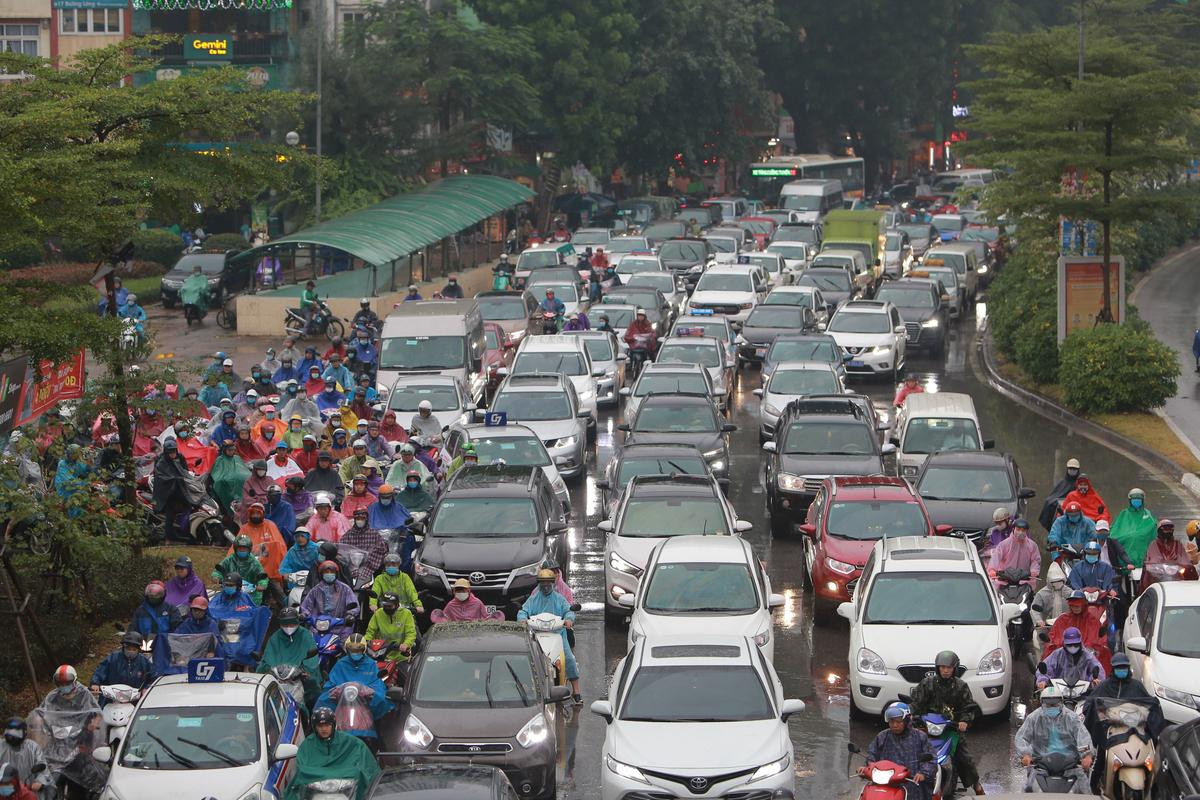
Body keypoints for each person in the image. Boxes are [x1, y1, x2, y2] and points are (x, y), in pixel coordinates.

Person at [1082, 652, 1167, 793]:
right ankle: (1093, 788)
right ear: (1113, 669)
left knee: (1153, 758)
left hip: (1136, 729)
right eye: (1118, 668)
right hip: (1112, 730)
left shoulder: (1137, 686)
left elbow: (1148, 704)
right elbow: (1090, 703)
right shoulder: (1104, 686)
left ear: (1128, 668)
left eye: (1124, 667)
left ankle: (1156, 789)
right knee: (1101, 758)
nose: (1121, 670)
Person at [908, 651, 984, 796]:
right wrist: (910, 713)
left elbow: (969, 707)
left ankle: (976, 785)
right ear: (937, 668)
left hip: (951, 730)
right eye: (942, 667)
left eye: (949, 667)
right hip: (927, 728)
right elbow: (915, 702)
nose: (945, 670)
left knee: (965, 758)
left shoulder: (961, 686)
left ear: (955, 668)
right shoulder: (927, 683)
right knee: (911, 750)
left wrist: (964, 721)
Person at [284, 706, 380, 800]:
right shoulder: (307, 744)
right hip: (315, 791)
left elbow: (367, 765)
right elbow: (302, 769)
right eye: (320, 726)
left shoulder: (351, 742)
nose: (324, 729)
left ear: (333, 725)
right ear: (314, 727)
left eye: (327, 725)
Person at [517, 569, 582, 704]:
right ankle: (526, 687)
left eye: (548, 582)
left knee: (568, 658)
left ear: (553, 583)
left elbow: (569, 611)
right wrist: (522, 619)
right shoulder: (533, 599)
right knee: (525, 658)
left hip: (558, 633)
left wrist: (569, 619)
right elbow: (523, 611)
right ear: (539, 584)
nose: (546, 585)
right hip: (537, 634)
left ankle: (576, 690)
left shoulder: (559, 598)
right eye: (543, 583)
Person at [1014, 684, 1094, 794]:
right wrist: (1025, 754)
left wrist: (1087, 755)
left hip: (1070, 767)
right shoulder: (1034, 718)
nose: (1051, 707)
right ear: (1041, 703)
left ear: (1061, 702)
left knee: (1085, 793)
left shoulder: (1072, 718)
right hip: (1041, 766)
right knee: (1028, 791)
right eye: (1048, 704)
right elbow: (1021, 737)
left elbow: (1083, 736)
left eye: (1055, 704)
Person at [315, 634, 394, 726]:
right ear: (347, 650)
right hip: (343, 702)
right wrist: (333, 692)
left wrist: (371, 693)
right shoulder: (341, 663)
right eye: (352, 650)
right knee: (322, 701)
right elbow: (332, 683)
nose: (355, 653)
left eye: (358, 650)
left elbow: (377, 683)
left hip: (365, 702)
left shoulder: (371, 664)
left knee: (384, 703)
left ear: (364, 650)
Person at [862, 703, 936, 800]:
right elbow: (872, 754)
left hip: (912, 782)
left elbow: (931, 757)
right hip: (886, 782)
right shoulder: (882, 736)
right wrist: (868, 768)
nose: (894, 725)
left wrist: (923, 773)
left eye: (898, 721)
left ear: (906, 720)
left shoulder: (920, 737)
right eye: (891, 722)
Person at [257, 607, 321, 706]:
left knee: (314, 690)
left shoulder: (305, 636)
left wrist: (304, 672)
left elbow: (312, 660)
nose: (288, 627)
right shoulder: (275, 638)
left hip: (298, 679)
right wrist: (267, 668)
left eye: (291, 624)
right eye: (285, 624)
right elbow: (267, 658)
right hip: (278, 678)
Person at [1047, 590, 1110, 670]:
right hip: (1065, 656)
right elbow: (1055, 637)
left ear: (1083, 605)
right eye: (1073, 606)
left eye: (1077, 606)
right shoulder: (1062, 619)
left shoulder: (1092, 620)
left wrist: (1091, 649)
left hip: (1088, 658)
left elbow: (1099, 640)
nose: (1075, 608)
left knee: (1105, 652)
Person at [300, 561, 359, 639]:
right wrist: (304, 615)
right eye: (326, 572)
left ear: (336, 574)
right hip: (319, 628)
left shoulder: (345, 589)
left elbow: (354, 605)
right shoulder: (315, 590)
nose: (329, 573)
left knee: (346, 644)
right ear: (321, 574)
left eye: (332, 571)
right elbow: (306, 606)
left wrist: (350, 615)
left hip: (340, 627)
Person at [236, 502, 289, 585]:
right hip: (250, 560)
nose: (255, 516)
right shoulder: (244, 528)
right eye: (253, 513)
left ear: (263, 514)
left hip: (269, 564)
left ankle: (274, 580)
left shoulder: (270, 525)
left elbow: (280, 546)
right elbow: (235, 547)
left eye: (258, 513)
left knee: (276, 546)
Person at [91, 631, 156, 696]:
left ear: (138, 650)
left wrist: (146, 688)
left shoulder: (143, 661)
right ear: (124, 648)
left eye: (134, 649)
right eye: (128, 649)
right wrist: (95, 683)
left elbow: (153, 676)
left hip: (135, 698)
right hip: (111, 697)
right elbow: (100, 671)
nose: (131, 652)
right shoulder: (113, 657)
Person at [1038, 626, 1105, 688]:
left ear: (1079, 642)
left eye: (1075, 644)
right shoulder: (1057, 654)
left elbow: (1098, 670)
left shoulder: (1087, 656)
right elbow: (1046, 667)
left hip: (1083, 692)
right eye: (1069, 645)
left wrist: (1096, 680)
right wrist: (1042, 680)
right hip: (1059, 692)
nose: (1072, 647)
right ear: (1065, 643)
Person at [213, 534, 270, 603]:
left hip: (250, 595)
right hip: (232, 591)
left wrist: (261, 585)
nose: (242, 550)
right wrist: (216, 577)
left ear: (249, 549)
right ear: (235, 548)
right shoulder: (230, 559)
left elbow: (262, 577)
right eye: (240, 548)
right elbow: (218, 570)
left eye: (244, 548)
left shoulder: (254, 563)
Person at [340, 507, 388, 586]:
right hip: (350, 569)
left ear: (366, 519)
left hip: (368, 568)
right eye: (357, 518)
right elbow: (342, 551)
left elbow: (381, 550)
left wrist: (367, 561)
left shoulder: (374, 534)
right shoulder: (348, 535)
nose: (360, 521)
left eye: (362, 518)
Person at [1141, 518, 1192, 593]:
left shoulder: (1177, 544)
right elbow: (1151, 558)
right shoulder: (1153, 544)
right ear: (1159, 531)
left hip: (1176, 574)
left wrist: (1186, 564)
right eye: (1165, 529)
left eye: (1169, 529)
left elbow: (1184, 557)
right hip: (1159, 574)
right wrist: (1152, 565)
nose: (1167, 531)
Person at [0, 718, 47, 798]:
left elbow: (42, 766)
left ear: (24, 732)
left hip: (26, 790)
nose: (12, 736)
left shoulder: (32, 747)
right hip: (4, 790)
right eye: (9, 733)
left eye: (16, 733)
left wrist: (40, 782)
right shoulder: (1, 746)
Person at [364, 592, 417, 662]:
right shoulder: (378, 613)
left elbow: (411, 633)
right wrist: (364, 642)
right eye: (385, 606)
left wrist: (406, 644)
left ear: (397, 605)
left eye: (389, 606)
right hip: (380, 654)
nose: (386, 608)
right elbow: (370, 632)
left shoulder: (406, 614)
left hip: (400, 655)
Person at [988, 517, 1040, 588]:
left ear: (1026, 531)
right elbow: (995, 558)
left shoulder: (1032, 545)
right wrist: (992, 570)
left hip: (1023, 582)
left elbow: (1036, 560)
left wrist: (1034, 572)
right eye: (1018, 529)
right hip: (1004, 581)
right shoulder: (1004, 544)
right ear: (1013, 529)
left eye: (1023, 530)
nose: (1020, 532)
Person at [1040, 457, 1083, 531]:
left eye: (1074, 469)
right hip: (1063, 508)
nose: (1072, 470)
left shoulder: (1081, 484)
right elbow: (1054, 496)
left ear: (1078, 470)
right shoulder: (1063, 482)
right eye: (1070, 468)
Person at [1032, 562, 1072, 633]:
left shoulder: (1069, 592)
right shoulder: (1041, 594)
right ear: (1049, 581)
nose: (1057, 583)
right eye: (1054, 581)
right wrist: (1039, 620)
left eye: (1059, 581)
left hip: (1067, 625)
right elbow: (1034, 610)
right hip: (1047, 627)